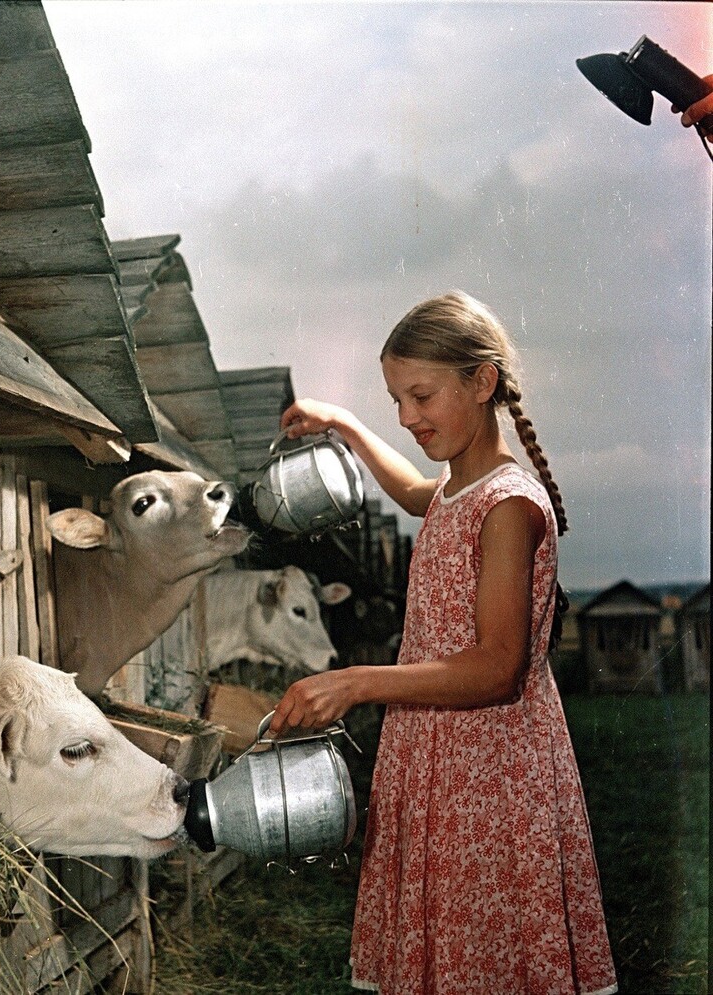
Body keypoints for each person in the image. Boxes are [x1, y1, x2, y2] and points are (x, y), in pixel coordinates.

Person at [269, 291, 618, 994]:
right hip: (437, 758)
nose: (407, 417)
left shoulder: (510, 506)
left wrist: (358, 681)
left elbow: (496, 667)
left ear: (482, 381)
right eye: (396, 399)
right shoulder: (463, 488)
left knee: (487, 959)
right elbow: (412, 493)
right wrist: (343, 423)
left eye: (421, 395)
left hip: (492, 772)